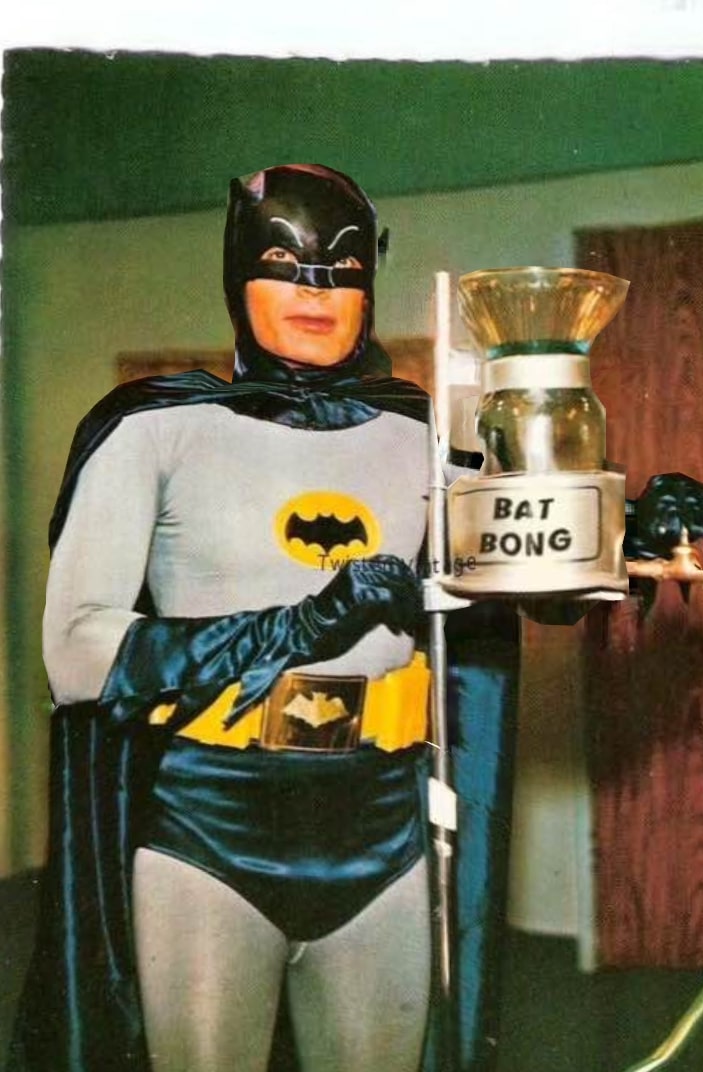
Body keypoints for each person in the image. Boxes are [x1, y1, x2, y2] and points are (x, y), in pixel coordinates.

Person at [9, 164, 435, 1072]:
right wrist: (296, 628)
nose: (315, 292)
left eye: (342, 270)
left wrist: (636, 524)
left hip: (382, 822)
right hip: (212, 824)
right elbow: (76, 652)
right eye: (284, 263)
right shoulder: (155, 427)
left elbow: (527, 558)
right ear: (238, 271)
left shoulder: (425, 435)